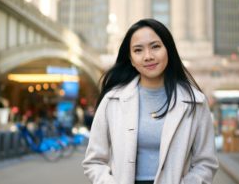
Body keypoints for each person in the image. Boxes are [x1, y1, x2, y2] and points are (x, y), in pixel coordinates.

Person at [82, 19, 219, 184]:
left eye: (155, 47)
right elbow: (94, 161)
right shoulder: (112, 101)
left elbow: (206, 162)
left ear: (168, 50)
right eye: (138, 50)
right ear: (131, 59)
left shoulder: (195, 103)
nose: (148, 56)